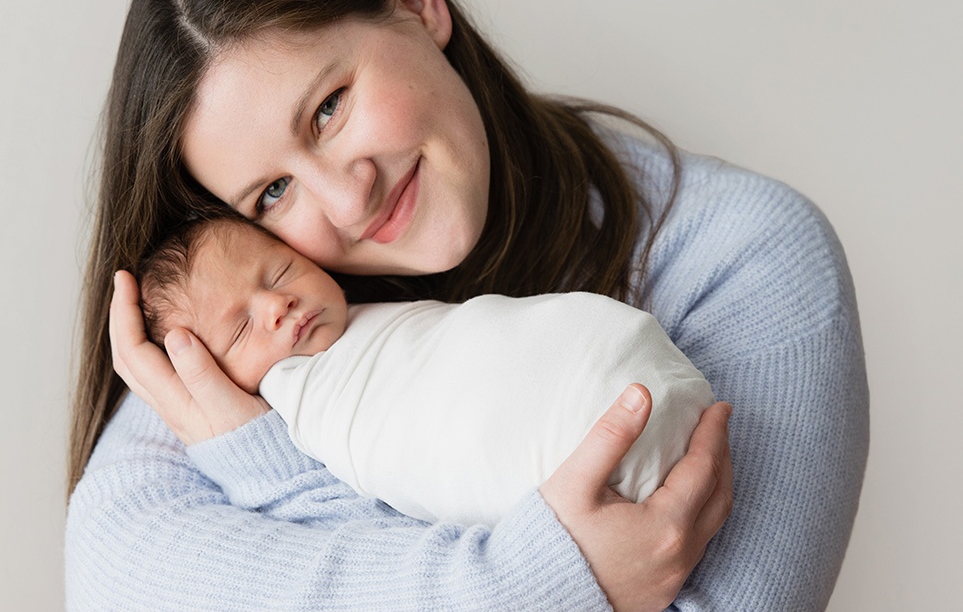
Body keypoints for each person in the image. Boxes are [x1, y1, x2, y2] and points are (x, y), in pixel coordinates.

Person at [64, 0, 868, 612]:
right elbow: (117, 592)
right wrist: (551, 583)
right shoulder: (264, 312)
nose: (345, 197)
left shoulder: (739, 256)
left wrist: (288, 518)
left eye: (327, 109)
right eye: (272, 194)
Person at [136, 212, 714, 526]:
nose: (276, 304)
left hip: (617, 368)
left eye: (281, 271)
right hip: (578, 463)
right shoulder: (291, 397)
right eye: (239, 330)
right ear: (207, 376)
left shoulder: (368, 309)